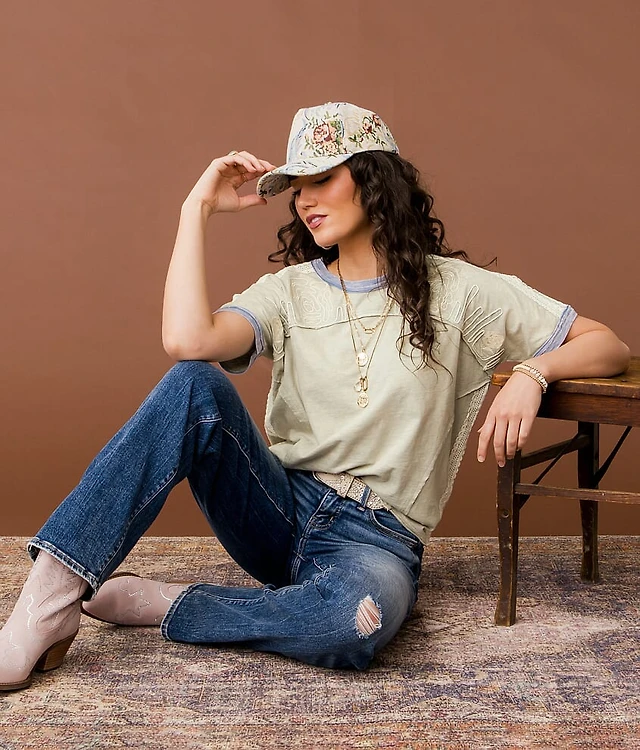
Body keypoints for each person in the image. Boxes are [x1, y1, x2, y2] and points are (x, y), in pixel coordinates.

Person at [0, 102, 630, 691]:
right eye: (296, 187)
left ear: (373, 180)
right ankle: (47, 604)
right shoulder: (289, 291)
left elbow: (607, 345)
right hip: (278, 506)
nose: (303, 200)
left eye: (321, 179)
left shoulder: (461, 292)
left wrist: (532, 374)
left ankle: (168, 603)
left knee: (351, 624)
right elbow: (187, 342)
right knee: (195, 382)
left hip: (376, 541)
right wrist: (196, 210)